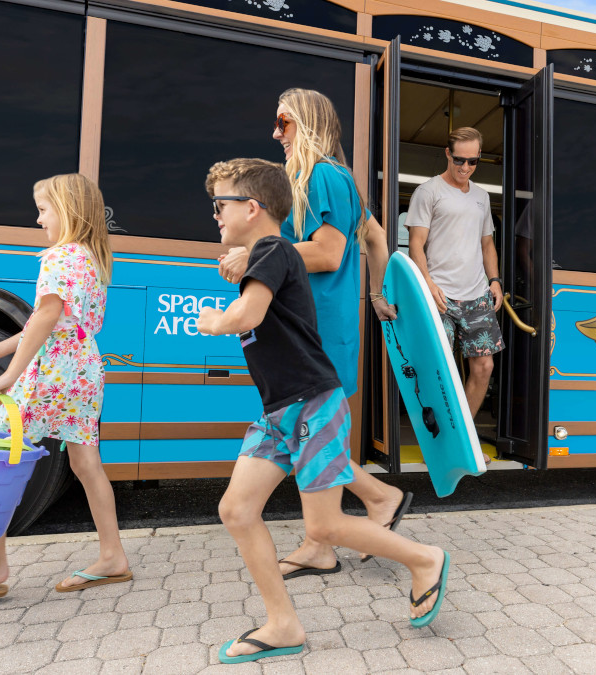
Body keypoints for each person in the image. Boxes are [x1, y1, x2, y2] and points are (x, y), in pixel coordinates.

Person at [199, 158, 450, 663]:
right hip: (279, 410)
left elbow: (247, 314)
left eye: (220, 205)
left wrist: (214, 321)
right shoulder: (267, 254)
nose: (216, 216)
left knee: (325, 527)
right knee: (236, 510)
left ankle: (426, 560)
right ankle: (283, 624)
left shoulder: (271, 248)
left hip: (312, 401)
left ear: (252, 207)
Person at [217, 88, 412, 576]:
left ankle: (364, 515)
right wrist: (375, 296)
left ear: (309, 123)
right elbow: (377, 237)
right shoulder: (327, 179)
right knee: (314, 434)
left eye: (284, 123)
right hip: (326, 325)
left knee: (310, 430)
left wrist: (259, 251)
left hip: (315, 326)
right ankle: (335, 532)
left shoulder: (323, 174)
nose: (276, 133)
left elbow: (328, 251)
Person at [0, 173, 129, 599]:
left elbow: (46, 319)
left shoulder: (57, 257)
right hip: (83, 370)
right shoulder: (91, 258)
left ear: (67, 211)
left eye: (43, 210)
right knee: (86, 464)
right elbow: (57, 324)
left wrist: (8, 373)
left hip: (49, 374)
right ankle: (112, 557)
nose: (38, 221)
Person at [406, 127, 506, 422]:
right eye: (459, 160)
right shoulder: (428, 192)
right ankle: (440, 438)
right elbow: (415, 245)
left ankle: (465, 436)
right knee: (439, 369)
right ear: (448, 154)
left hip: (476, 295)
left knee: (484, 367)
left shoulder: (482, 197)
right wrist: (428, 283)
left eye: (472, 161)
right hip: (440, 295)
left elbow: (487, 243)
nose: (465, 168)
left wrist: (495, 281)